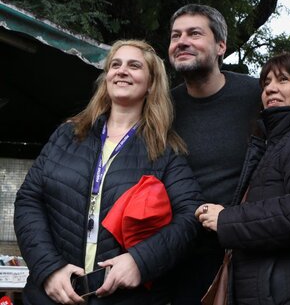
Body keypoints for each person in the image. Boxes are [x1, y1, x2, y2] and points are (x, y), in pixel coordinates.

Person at [14, 39, 203, 305]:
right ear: (106, 79)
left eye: (134, 65)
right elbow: (28, 200)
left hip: (126, 299)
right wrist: (49, 269)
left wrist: (140, 261)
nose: (121, 71)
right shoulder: (68, 135)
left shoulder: (165, 151)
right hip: (52, 295)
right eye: (115, 65)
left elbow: (190, 218)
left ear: (150, 84)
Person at [196, 53, 290, 304]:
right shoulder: (276, 141)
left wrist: (226, 219)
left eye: (284, 80)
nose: (271, 89)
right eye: (266, 83)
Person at [167, 4, 261, 303]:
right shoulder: (162, 108)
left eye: (195, 33)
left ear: (221, 46)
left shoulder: (258, 95)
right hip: (178, 256)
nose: (182, 41)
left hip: (246, 252)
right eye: (175, 35)